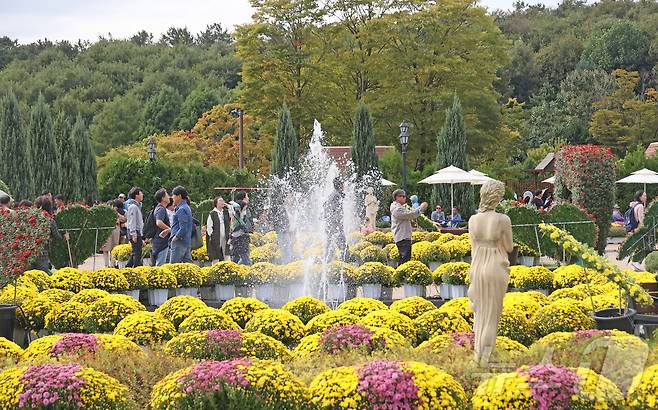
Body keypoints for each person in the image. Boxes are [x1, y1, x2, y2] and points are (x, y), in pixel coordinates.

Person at [467, 180, 513, 360]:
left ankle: (479, 355)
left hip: (477, 267)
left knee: (480, 315)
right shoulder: (503, 219)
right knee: (491, 317)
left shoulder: (473, 220)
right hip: (495, 266)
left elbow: (473, 247)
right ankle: (485, 361)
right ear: (497, 197)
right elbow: (509, 247)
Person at [390, 189, 427, 265]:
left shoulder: (399, 207)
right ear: (397, 197)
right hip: (402, 236)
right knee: (404, 259)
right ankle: (400, 275)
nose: (405, 198)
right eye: (403, 196)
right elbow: (409, 215)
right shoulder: (397, 209)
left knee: (405, 258)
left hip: (403, 236)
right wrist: (421, 208)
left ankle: (401, 274)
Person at [33, 195, 69, 271]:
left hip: (27, 251)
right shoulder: (49, 220)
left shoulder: (30, 218)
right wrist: (64, 237)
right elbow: (57, 236)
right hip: (42, 252)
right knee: (43, 274)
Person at [324, 177, 347, 262]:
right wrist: (338, 224)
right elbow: (333, 210)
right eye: (343, 184)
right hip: (335, 225)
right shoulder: (336, 195)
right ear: (340, 185)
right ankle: (345, 259)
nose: (344, 186)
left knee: (331, 243)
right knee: (341, 243)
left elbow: (326, 206)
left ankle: (328, 260)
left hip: (333, 224)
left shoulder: (334, 194)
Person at [101, 199, 128, 267]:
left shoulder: (116, 213)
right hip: (108, 231)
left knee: (111, 248)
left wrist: (117, 214)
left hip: (112, 232)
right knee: (107, 249)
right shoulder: (105, 213)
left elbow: (124, 219)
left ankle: (110, 265)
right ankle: (108, 265)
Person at [170, 185, 193, 263]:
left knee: (173, 266)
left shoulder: (181, 209)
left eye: (173, 195)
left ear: (179, 196)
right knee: (189, 266)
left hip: (179, 242)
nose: (172, 197)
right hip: (186, 241)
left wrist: (175, 238)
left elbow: (183, 228)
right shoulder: (186, 207)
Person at [268, 194, 293, 263]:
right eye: (289, 197)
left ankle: (288, 263)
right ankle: (286, 264)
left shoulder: (291, 209)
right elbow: (281, 222)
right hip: (284, 232)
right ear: (284, 199)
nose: (291, 199)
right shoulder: (281, 208)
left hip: (291, 232)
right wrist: (286, 232)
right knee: (285, 249)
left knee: (289, 249)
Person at [207, 196, 231, 263]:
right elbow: (209, 226)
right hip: (216, 236)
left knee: (226, 252)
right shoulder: (212, 213)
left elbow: (233, 215)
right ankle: (215, 268)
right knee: (215, 254)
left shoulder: (225, 212)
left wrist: (228, 206)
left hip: (225, 235)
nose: (222, 202)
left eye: (223, 200)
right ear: (216, 203)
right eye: (220, 200)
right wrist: (212, 235)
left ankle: (229, 267)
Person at [152, 188, 172, 266]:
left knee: (166, 264)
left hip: (163, 241)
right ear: (163, 198)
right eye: (167, 195)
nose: (169, 197)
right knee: (160, 265)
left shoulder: (160, 208)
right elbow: (159, 222)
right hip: (161, 242)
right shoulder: (161, 209)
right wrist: (169, 229)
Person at [125, 187, 144, 267]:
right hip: (135, 232)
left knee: (135, 252)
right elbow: (132, 221)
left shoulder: (137, 206)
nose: (142, 194)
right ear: (136, 195)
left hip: (136, 232)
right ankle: (135, 269)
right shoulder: (133, 207)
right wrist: (134, 234)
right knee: (137, 253)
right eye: (141, 193)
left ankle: (128, 268)